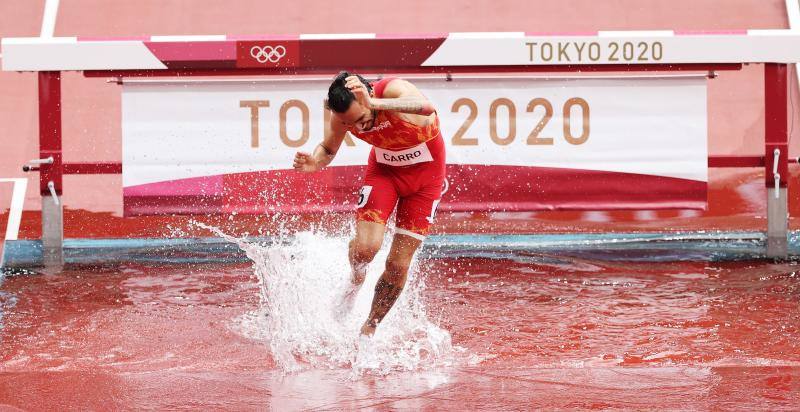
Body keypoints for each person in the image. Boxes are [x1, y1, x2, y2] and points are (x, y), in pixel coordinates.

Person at [293, 71, 446, 336]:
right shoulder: (343, 114)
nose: (361, 128)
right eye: (352, 124)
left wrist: (376, 105)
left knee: (398, 265)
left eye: (363, 119)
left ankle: (369, 328)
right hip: (384, 175)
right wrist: (315, 162)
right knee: (365, 249)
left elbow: (428, 109)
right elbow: (328, 149)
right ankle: (356, 276)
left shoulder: (393, 91)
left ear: (370, 97)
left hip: (426, 181)